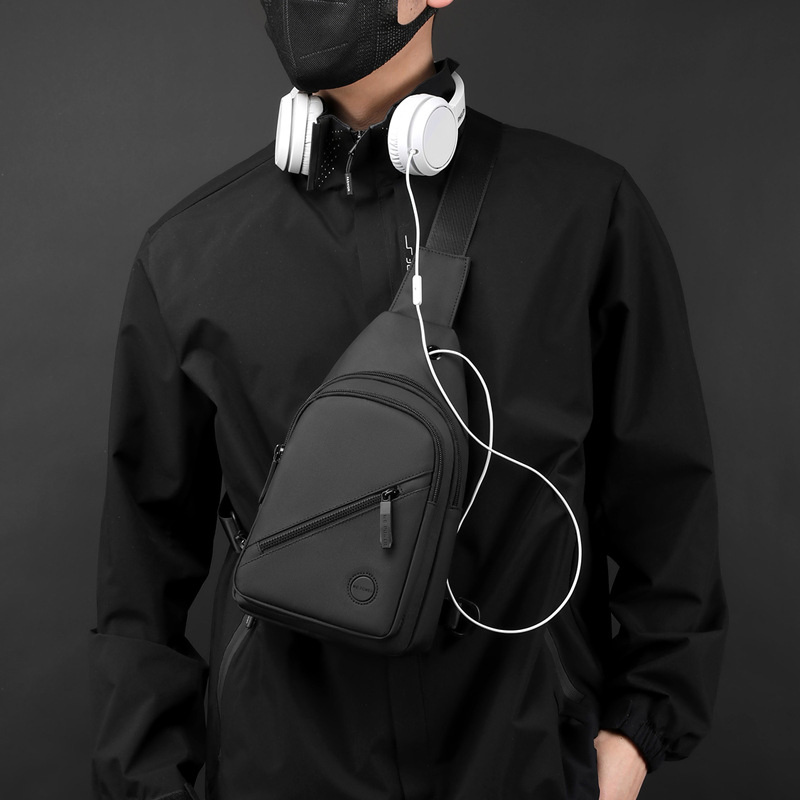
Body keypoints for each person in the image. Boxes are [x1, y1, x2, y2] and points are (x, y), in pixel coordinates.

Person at [89, 2, 729, 799]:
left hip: (525, 766)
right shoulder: (190, 257)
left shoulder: (584, 213)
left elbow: (667, 500)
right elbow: (139, 576)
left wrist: (636, 735)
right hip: (282, 775)